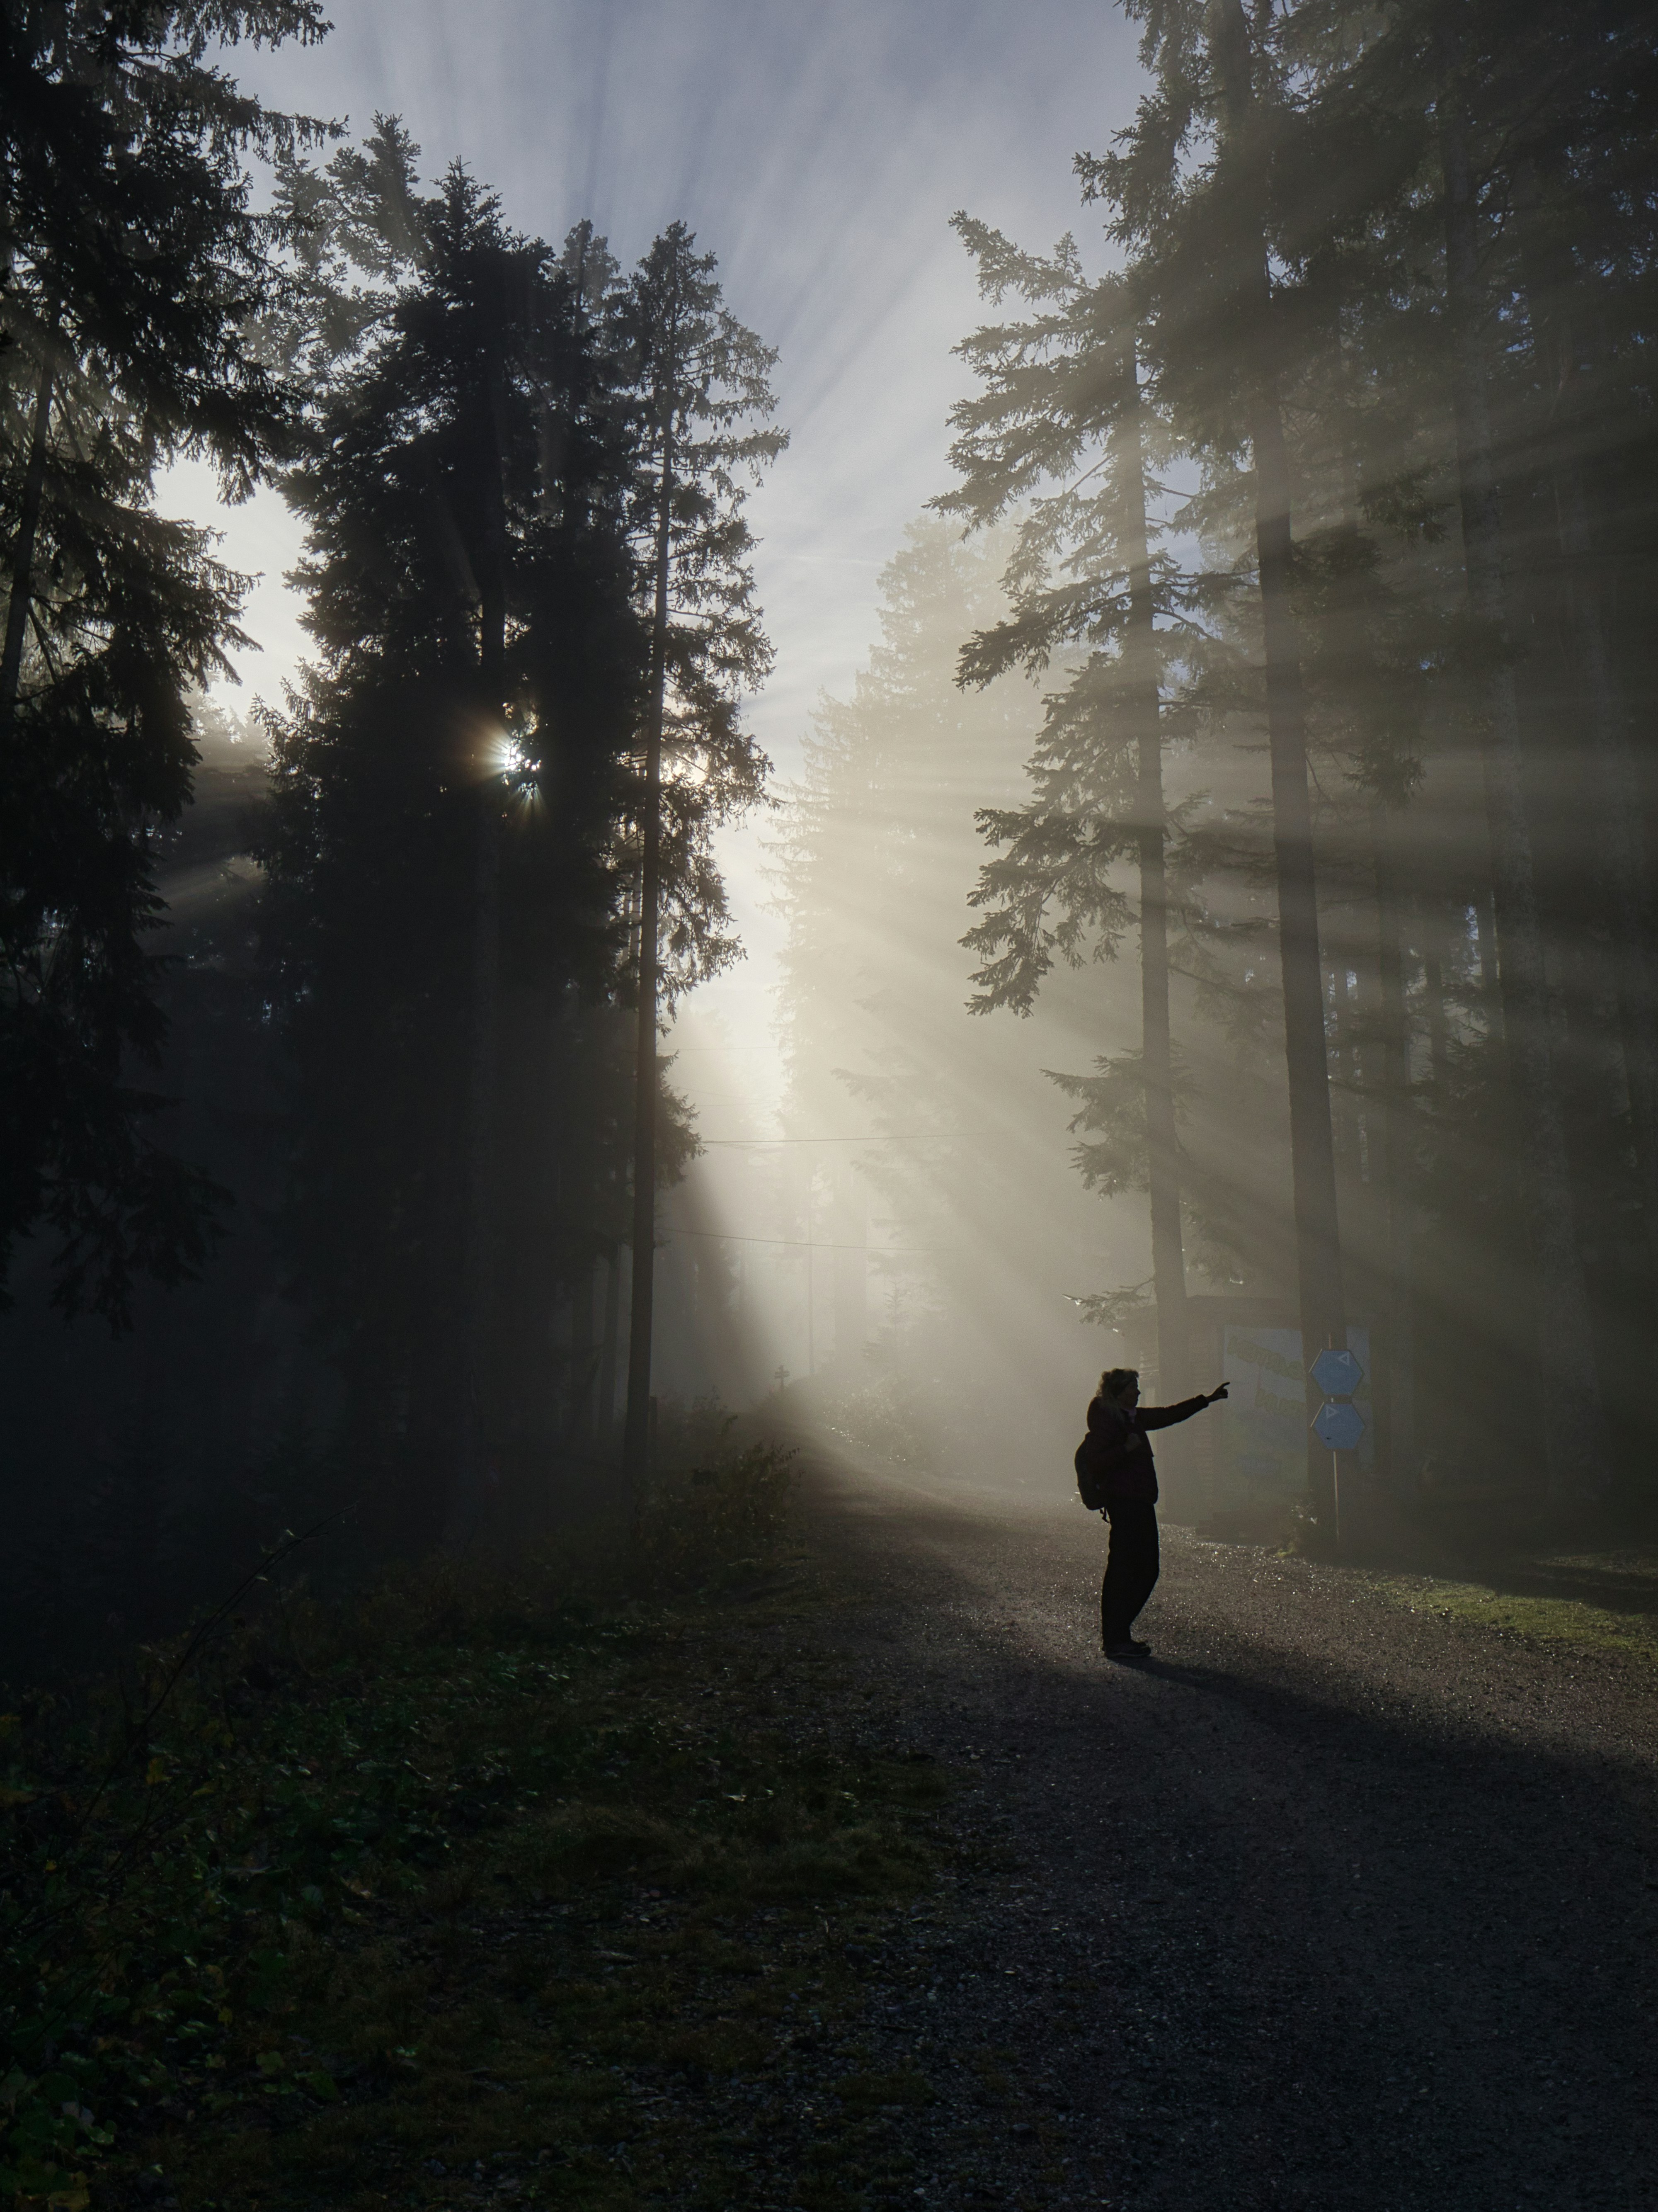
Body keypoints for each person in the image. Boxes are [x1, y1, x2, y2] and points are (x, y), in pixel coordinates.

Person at [1084, 1366, 1229, 1662]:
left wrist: (1207, 1400)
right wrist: (1125, 1449)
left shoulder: (1131, 1418)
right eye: (1133, 1388)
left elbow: (1168, 1414)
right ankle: (1116, 1638)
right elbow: (1095, 1462)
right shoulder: (1109, 1421)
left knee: (1146, 1570)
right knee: (1125, 1572)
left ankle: (1119, 1634)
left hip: (1140, 1503)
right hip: (1125, 1505)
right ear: (1118, 1392)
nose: (1138, 1392)